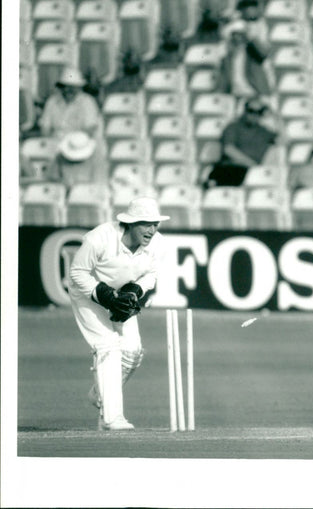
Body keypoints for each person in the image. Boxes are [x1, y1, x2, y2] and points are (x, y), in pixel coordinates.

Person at [68, 197, 170, 430]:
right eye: (146, 224)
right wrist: (104, 294)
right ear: (130, 223)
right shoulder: (99, 238)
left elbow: (151, 276)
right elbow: (77, 273)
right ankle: (112, 418)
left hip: (121, 295)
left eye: (155, 224)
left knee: (132, 354)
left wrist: (134, 291)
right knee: (108, 346)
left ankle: (99, 395)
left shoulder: (158, 244)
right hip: (88, 293)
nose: (152, 230)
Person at [204, 97, 280, 188]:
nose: (254, 115)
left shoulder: (264, 132)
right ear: (245, 111)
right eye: (251, 111)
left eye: (259, 112)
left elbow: (284, 140)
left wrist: (275, 116)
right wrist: (251, 163)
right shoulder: (233, 127)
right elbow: (229, 150)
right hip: (231, 168)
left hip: (249, 171)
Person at [38, 67, 101, 140]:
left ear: (79, 88)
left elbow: (90, 130)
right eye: (66, 86)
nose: (69, 90)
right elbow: (45, 128)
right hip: (54, 143)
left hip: (79, 144)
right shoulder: (52, 101)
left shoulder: (88, 102)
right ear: (61, 87)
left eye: (73, 87)